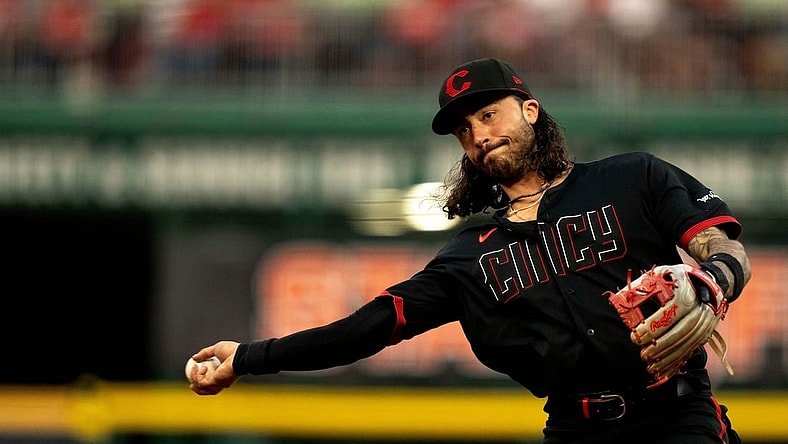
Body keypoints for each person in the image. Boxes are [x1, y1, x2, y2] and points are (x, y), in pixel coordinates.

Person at [189, 57, 752, 444]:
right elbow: (365, 328)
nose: (478, 135)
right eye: (464, 129)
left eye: (488, 114)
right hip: (575, 429)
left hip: (676, 415)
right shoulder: (468, 259)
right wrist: (248, 357)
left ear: (529, 110)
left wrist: (713, 281)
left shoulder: (631, 178)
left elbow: (722, 246)